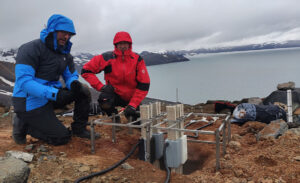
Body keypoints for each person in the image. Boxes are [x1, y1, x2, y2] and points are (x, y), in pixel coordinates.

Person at [12, 14, 99, 146]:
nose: (66, 37)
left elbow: (70, 75)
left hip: (50, 97)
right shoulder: (30, 48)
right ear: (52, 30)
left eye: (69, 34)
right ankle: (24, 124)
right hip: (28, 101)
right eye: (63, 32)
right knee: (61, 138)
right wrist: (54, 94)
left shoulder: (64, 53)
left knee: (83, 90)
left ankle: (79, 129)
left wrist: (73, 84)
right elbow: (24, 82)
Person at [81, 31, 150, 122]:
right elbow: (86, 70)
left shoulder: (138, 59)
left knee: (137, 124)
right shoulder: (107, 57)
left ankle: (129, 113)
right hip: (114, 94)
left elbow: (144, 84)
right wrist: (101, 87)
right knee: (104, 100)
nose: (123, 46)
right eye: (120, 43)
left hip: (132, 97)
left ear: (130, 44)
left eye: (125, 43)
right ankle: (114, 117)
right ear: (115, 45)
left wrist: (133, 104)